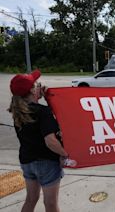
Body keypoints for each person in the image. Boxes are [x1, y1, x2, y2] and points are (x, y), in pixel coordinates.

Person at [8, 70, 69, 212]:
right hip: (46, 163)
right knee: (51, 204)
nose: (39, 85)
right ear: (32, 90)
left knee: (31, 198)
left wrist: (44, 99)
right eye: (36, 84)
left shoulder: (18, 111)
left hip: (27, 161)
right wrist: (65, 154)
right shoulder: (42, 111)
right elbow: (50, 141)